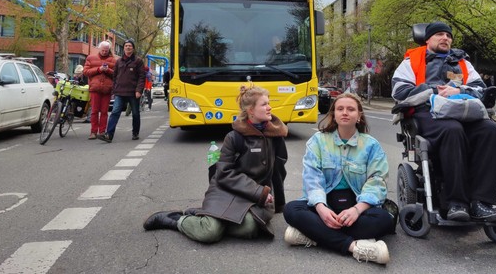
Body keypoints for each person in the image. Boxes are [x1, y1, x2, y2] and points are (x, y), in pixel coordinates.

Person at [391, 21, 496, 222]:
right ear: (427, 39)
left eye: (448, 35)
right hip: (428, 113)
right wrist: (433, 90)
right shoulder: (413, 60)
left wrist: (460, 91)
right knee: (452, 130)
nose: (445, 38)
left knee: (490, 130)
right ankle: (457, 203)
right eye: (439, 34)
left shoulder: (463, 62)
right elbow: (399, 92)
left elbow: (481, 91)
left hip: (462, 111)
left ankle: (482, 203)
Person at [143, 85, 288, 243]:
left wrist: (278, 204)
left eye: (268, 103)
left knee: (249, 228)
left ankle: (208, 217)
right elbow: (224, 173)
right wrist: (260, 192)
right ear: (251, 111)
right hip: (227, 190)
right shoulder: (233, 137)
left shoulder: (275, 136)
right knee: (210, 234)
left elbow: (278, 171)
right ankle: (175, 220)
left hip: (255, 198)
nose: (270, 107)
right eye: (264, 104)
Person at [282, 93, 394, 265]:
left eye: (351, 109)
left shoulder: (371, 145)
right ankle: (355, 247)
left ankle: (311, 235)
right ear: (333, 114)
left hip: (356, 204)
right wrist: (321, 208)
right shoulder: (318, 141)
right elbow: (312, 178)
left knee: (385, 219)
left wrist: (356, 210)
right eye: (340, 109)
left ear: (359, 116)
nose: (345, 112)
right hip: (326, 202)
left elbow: (376, 181)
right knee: (291, 209)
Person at [98, 39, 145, 142]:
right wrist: (114, 89)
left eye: (130, 46)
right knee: (115, 112)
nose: (128, 47)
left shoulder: (138, 61)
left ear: (133, 48)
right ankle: (109, 135)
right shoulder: (119, 61)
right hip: (120, 92)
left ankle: (135, 133)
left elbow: (142, 77)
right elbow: (115, 76)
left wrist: (139, 90)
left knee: (136, 113)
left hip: (133, 92)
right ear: (123, 48)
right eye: (126, 46)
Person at [83, 41, 116, 139]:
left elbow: (117, 74)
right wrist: (99, 69)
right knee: (94, 111)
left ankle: (101, 131)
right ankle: (93, 132)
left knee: (104, 111)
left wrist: (108, 70)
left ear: (109, 50)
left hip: (107, 89)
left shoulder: (114, 60)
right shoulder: (90, 58)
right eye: (103, 50)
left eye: (106, 50)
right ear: (99, 49)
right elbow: (85, 72)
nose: (104, 52)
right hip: (95, 88)